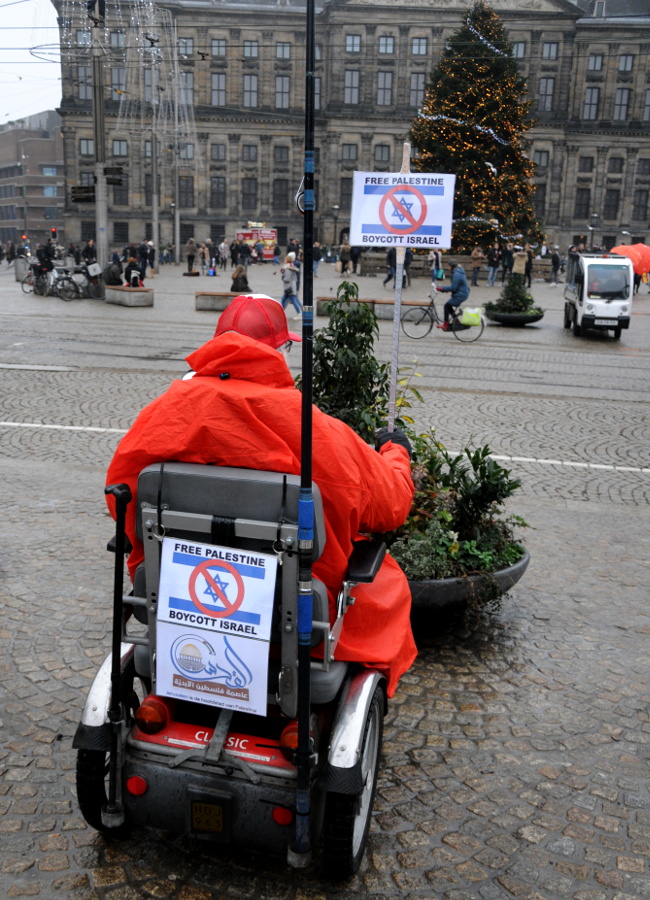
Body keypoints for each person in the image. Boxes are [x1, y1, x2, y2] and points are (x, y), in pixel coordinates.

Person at [105, 295, 417, 696]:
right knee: (385, 586)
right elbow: (391, 505)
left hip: (181, 596)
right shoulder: (313, 427)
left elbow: (121, 499)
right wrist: (395, 451)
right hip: (290, 611)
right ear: (281, 349)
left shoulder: (163, 413)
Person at [436, 259, 470, 331]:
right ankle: (456, 321)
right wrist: (443, 290)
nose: (448, 268)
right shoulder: (458, 271)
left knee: (446, 306)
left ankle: (445, 324)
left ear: (451, 266)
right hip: (461, 293)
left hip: (461, 294)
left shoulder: (457, 274)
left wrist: (442, 288)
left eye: (449, 266)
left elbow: (453, 288)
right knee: (449, 306)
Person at [280, 252, 302, 318]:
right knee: (284, 300)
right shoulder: (293, 267)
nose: (284, 260)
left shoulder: (288, 269)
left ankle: (299, 313)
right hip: (292, 287)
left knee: (294, 301)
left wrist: (283, 278)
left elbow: (287, 279)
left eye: (285, 259)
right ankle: (280, 313)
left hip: (289, 288)